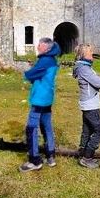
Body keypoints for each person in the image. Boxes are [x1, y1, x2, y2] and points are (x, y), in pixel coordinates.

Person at [19, 37, 61, 172]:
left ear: (47, 48)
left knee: (31, 128)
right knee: (46, 126)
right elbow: (42, 75)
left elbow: (31, 75)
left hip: (39, 99)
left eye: (40, 45)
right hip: (47, 98)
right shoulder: (51, 60)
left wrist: (26, 73)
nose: (37, 47)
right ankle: (50, 156)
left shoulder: (45, 61)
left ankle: (34, 160)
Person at [72, 44, 100, 169]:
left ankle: (82, 151)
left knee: (87, 130)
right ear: (83, 54)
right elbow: (99, 83)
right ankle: (87, 158)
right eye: (90, 52)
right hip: (91, 104)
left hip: (87, 103)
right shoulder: (84, 69)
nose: (92, 53)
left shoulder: (83, 67)